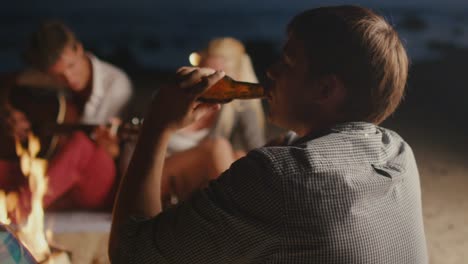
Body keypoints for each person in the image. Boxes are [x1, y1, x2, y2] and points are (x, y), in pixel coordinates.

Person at [109, 5, 428, 263]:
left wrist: (157, 126)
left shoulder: (278, 175)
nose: (272, 72)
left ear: (326, 89)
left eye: (287, 63)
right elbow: (292, 154)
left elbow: (131, 253)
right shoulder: (397, 151)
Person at [0, 20, 133, 220]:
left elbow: (121, 156)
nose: (69, 78)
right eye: (59, 75)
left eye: (71, 66)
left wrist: (111, 148)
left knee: (82, 144)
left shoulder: (117, 85)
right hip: (54, 177)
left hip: (99, 185)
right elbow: (6, 83)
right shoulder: (44, 77)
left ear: (78, 49)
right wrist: (8, 112)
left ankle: (18, 211)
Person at [161, 37, 266, 204]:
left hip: (200, 184)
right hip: (163, 175)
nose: (209, 83)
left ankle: (243, 215)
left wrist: (246, 102)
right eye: (206, 74)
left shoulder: (237, 107)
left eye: (218, 77)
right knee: (218, 146)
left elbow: (260, 155)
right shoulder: (178, 97)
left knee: (240, 157)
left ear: (235, 78)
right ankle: (243, 216)